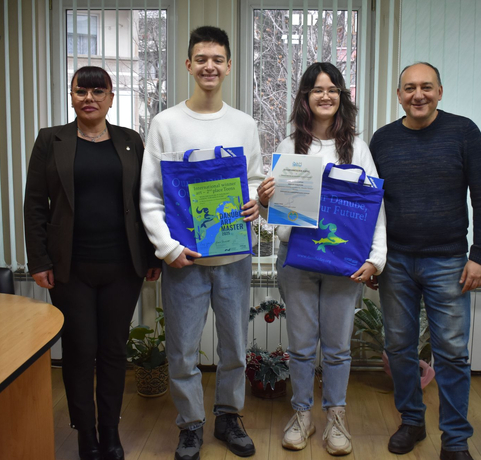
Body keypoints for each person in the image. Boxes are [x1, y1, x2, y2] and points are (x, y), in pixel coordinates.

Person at [24, 66, 162, 460]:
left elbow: (146, 201)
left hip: (123, 267)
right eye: (81, 91)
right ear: (71, 96)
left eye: (98, 91)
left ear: (111, 97)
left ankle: (110, 432)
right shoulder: (51, 140)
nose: (89, 98)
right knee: (80, 350)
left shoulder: (130, 140)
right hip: (70, 268)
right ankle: (86, 434)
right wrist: (39, 260)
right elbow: (35, 204)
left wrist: (152, 255)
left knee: (114, 351)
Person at [139, 26, 263, 460]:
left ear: (228, 66)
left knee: (234, 349)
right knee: (182, 352)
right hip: (184, 262)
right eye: (202, 59)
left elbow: (255, 180)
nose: (210, 66)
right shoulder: (165, 124)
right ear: (189, 65)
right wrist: (168, 248)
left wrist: (254, 202)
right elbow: (150, 195)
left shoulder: (244, 124)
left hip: (233, 259)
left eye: (218, 59)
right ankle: (190, 425)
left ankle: (228, 417)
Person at [369, 62, 481, 460]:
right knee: (399, 348)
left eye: (426, 87)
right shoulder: (383, 140)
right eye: (409, 88)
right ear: (399, 95)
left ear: (440, 92)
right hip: (396, 263)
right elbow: (369, 205)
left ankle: (455, 440)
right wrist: (373, 258)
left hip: (449, 262)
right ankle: (412, 421)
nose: (418, 95)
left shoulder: (463, 132)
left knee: (452, 353)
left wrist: (480, 256)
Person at [256, 62, 387, 456]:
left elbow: (374, 208)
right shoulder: (288, 146)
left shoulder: (358, 148)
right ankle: (302, 415)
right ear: (306, 97)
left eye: (332, 89)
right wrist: (264, 201)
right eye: (317, 89)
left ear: (341, 96)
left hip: (343, 263)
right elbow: (275, 215)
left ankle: (335, 418)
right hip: (296, 260)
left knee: (337, 348)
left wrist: (376, 258)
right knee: (300, 346)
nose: (325, 95)